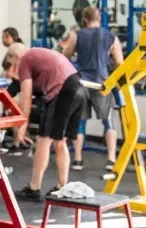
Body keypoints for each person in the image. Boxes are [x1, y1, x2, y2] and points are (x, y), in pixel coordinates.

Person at [7, 43, 86, 201]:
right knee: (59, 141)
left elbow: (26, 97)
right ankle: (62, 187)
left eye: (13, 63)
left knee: (43, 140)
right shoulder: (39, 53)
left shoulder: (25, 61)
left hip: (62, 92)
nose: (14, 67)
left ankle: (34, 187)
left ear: (16, 58)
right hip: (79, 89)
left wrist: (21, 127)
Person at [62, 6, 124, 172]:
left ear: (84, 20)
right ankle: (111, 159)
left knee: (80, 122)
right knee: (108, 121)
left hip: (83, 82)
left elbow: (64, 56)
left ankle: (77, 160)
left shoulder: (77, 35)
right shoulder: (111, 37)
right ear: (99, 19)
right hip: (102, 83)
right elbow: (119, 62)